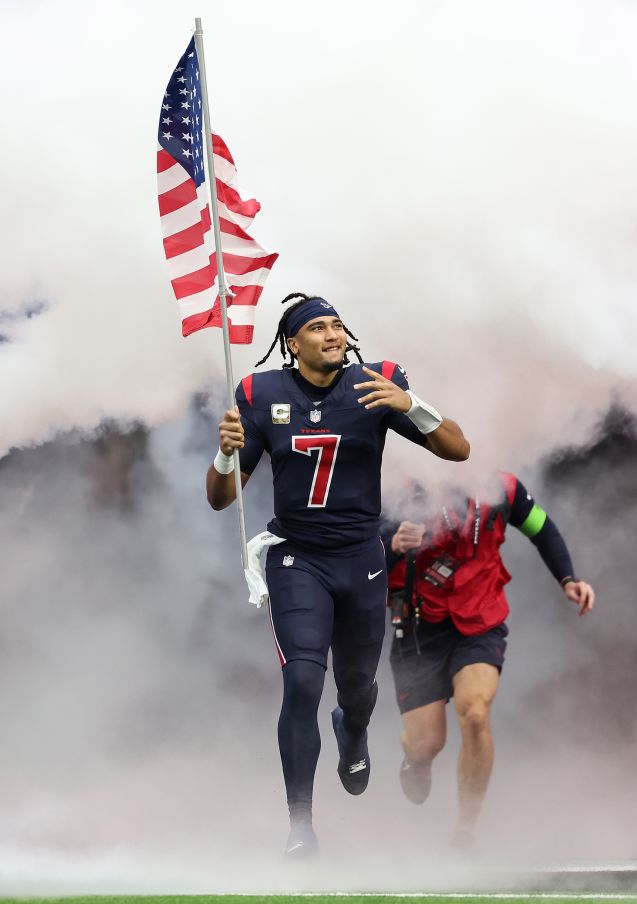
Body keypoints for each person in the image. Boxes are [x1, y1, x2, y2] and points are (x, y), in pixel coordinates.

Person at [206, 292, 470, 857]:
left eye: (337, 325)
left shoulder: (376, 383)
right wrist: (226, 456)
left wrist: (411, 404)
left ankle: (351, 727)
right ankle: (300, 824)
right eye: (318, 327)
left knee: (357, 689)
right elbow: (222, 498)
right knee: (302, 679)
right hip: (298, 557)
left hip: (360, 558)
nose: (332, 334)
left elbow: (458, 450)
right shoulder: (261, 394)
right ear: (292, 343)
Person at [382, 472, 595, 849]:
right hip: (418, 627)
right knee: (426, 743)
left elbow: (542, 528)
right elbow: (354, 548)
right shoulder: (399, 489)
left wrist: (568, 579)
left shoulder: (504, 489)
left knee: (476, 714)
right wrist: (393, 544)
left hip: (479, 621)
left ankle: (466, 832)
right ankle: (415, 758)